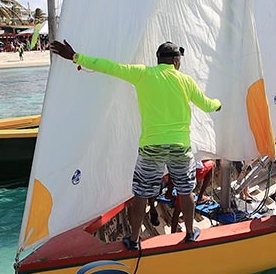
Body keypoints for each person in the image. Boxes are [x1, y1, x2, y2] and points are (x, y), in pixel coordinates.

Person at [50, 40, 222, 249]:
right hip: (180, 146)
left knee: (141, 193)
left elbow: (109, 66)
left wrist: (76, 57)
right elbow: (207, 104)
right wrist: (219, 104)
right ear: (176, 61)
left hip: (151, 147)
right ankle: (189, 233)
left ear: (158, 59)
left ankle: (133, 239)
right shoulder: (186, 81)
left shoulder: (143, 74)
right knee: (186, 191)